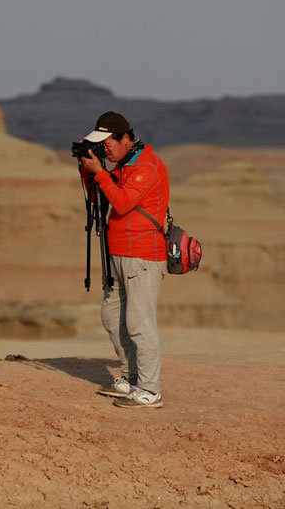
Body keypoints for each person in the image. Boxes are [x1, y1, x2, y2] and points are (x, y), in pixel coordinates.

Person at [78, 111, 169, 409]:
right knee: (112, 316)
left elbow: (123, 202)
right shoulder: (121, 167)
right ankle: (131, 379)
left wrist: (100, 172)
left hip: (141, 255)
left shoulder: (147, 165)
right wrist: (87, 171)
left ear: (125, 138)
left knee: (140, 324)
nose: (105, 149)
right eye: (100, 144)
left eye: (108, 143)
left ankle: (150, 390)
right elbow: (99, 200)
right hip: (117, 254)